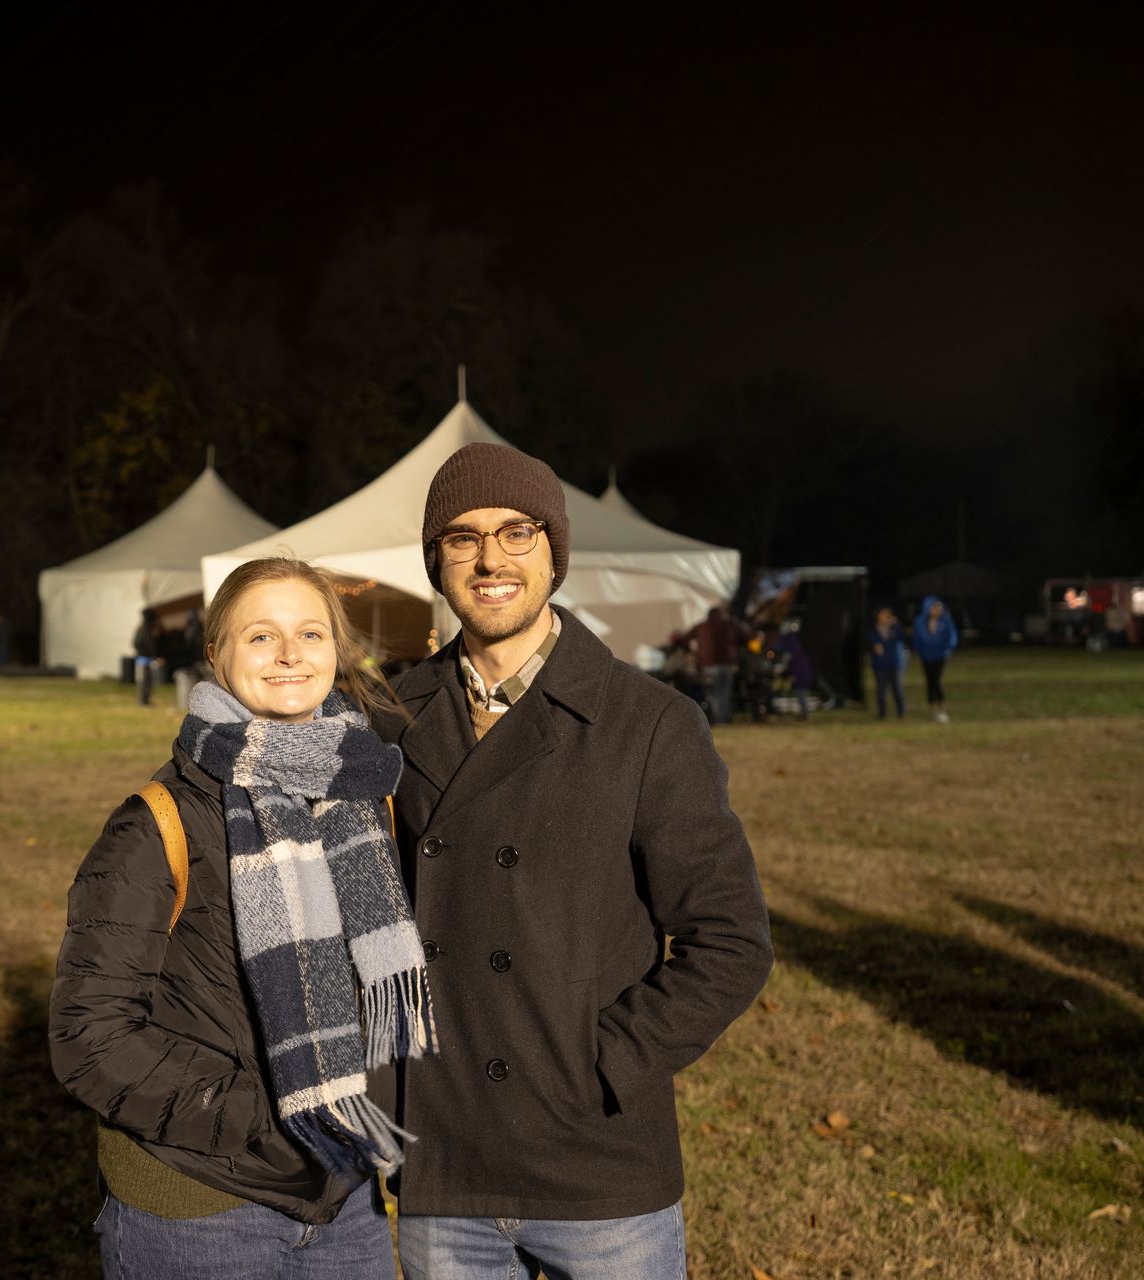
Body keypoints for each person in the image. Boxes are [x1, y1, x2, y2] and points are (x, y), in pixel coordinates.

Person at [377, 442, 772, 1279]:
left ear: (554, 552)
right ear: (436, 563)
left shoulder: (650, 724)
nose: (491, 560)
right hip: (446, 1162)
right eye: (462, 538)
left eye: (517, 532)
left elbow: (730, 941)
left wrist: (607, 1062)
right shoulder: (389, 721)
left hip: (599, 1168)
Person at [50, 559, 432, 1279]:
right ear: (215, 655)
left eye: (310, 633)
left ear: (336, 651)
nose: (290, 654)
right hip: (199, 1209)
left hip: (344, 1197)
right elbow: (89, 1037)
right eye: (261, 636)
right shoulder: (159, 822)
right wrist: (264, 1121)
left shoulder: (366, 795)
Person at [689, 605, 746, 726]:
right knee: (724, 693)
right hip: (726, 665)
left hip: (709, 665)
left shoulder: (702, 626)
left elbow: (684, 639)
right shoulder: (729, 625)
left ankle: (716, 719)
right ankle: (722, 719)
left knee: (712, 694)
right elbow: (746, 637)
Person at [911, 595, 959, 722]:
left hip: (940, 655)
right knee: (929, 681)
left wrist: (948, 649)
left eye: (938, 607)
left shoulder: (945, 620)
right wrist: (920, 651)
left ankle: (942, 709)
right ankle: (932, 710)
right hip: (926, 656)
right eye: (934, 607)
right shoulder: (920, 621)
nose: (937, 609)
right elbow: (917, 638)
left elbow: (952, 635)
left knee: (936, 681)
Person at [868, 607, 907, 720]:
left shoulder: (895, 628)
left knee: (897, 688)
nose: (885, 617)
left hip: (894, 663)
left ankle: (901, 711)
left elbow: (903, 637)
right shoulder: (874, 630)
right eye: (882, 614)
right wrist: (874, 647)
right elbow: (869, 644)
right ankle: (882, 712)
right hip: (880, 664)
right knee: (881, 689)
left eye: (887, 614)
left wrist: (896, 625)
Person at [131, 608, 163, 706]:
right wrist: (154, 655)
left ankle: (144, 700)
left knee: (144, 680)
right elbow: (150, 644)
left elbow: (135, 643)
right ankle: (144, 701)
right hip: (145, 658)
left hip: (141, 658)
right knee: (146, 680)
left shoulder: (140, 628)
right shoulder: (147, 629)